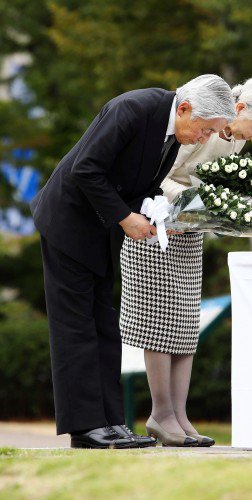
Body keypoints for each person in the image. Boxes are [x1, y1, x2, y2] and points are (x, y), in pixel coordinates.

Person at [30, 74, 236, 449]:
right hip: (68, 223)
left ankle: (111, 422)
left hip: (100, 231)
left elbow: (144, 186)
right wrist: (126, 218)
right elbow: (86, 168)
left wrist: (163, 217)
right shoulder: (132, 108)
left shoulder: (174, 132)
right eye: (206, 130)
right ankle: (86, 428)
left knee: (104, 326)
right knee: (76, 327)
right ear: (186, 109)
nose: (204, 139)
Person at [119, 75, 252, 447]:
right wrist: (186, 203)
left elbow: (211, 180)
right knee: (158, 321)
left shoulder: (237, 141)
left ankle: (178, 414)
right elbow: (159, 171)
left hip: (190, 229)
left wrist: (219, 208)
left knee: (185, 322)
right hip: (153, 226)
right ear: (242, 109)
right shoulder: (203, 120)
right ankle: (160, 412)